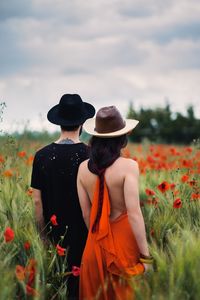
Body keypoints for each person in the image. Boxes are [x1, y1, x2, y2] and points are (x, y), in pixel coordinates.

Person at [77, 106, 152, 300]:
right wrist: (146, 257)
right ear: (122, 138)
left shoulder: (82, 169)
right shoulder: (129, 167)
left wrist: (100, 239)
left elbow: (86, 214)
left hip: (93, 248)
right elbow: (134, 214)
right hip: (124, 250)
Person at [31, 93, 95, 299]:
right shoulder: (90, 155)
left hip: (54, 234)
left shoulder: (41, 155)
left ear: (59, 123)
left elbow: (37, 200)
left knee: (55, 287)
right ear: (82, 123)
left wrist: (42, 236)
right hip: (84, 236)